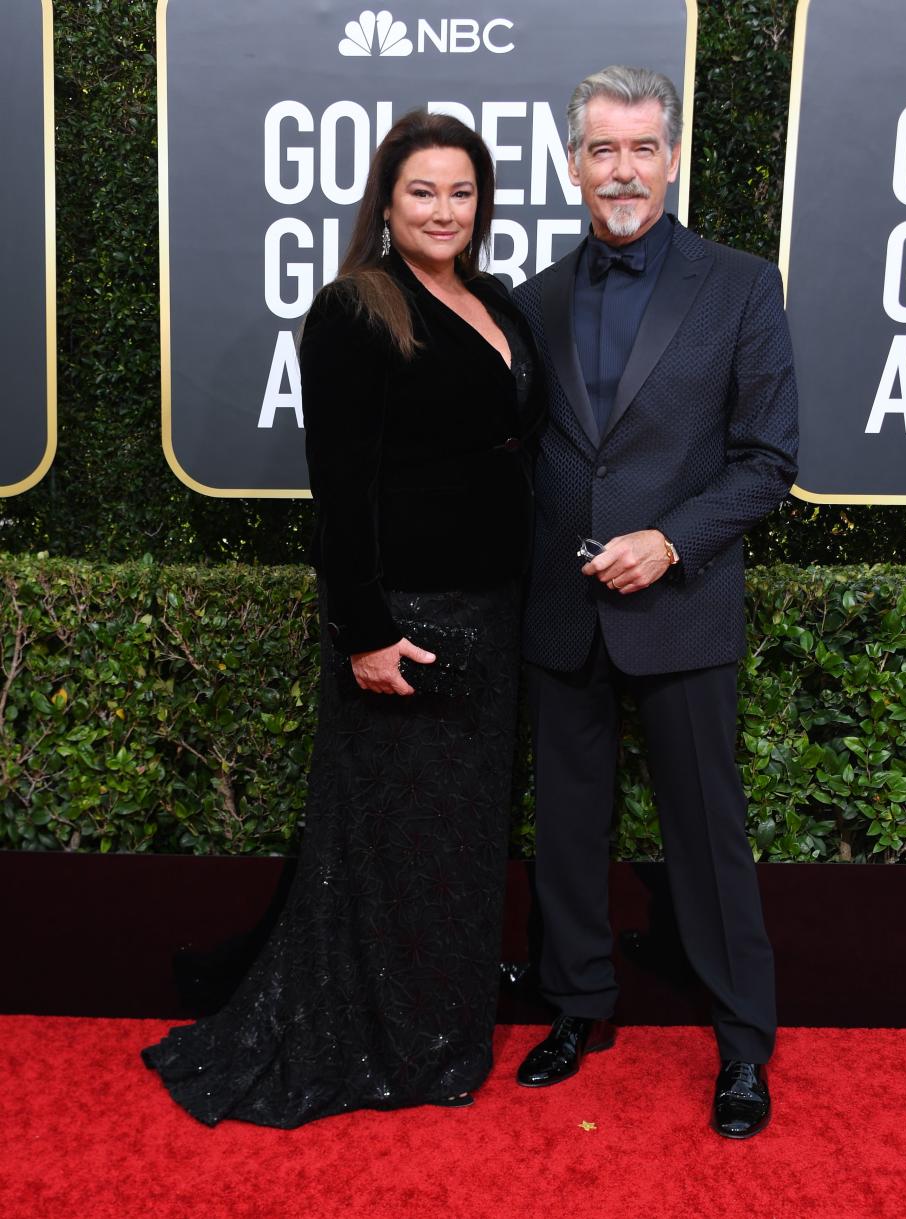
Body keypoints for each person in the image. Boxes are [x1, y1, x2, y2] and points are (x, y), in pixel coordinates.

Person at [143, 111, 542, 1124]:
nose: (444, 209)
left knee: (456, 845)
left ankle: (439, 1028)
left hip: (493, 614)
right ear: (388, 202)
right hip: (405, 621)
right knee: (390, 843)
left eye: (461, 191)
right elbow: (342, 486)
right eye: (423, 192)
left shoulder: (492, 297)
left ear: (481, 202)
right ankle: (377, 1040)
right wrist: (362, 630)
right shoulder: (357, 308)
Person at [510, 65, 799, 1139]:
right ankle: (579, 1003)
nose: (621, 169)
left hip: (681, 608)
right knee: (569, 826)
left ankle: (742, 1046)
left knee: (708, 837)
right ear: (571, 163)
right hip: (559, 611)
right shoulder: (532, 299)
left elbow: (770, 460)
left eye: (641, 148)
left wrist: (670, 540)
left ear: (672, 159)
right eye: (601, 149)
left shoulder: (739, 286)